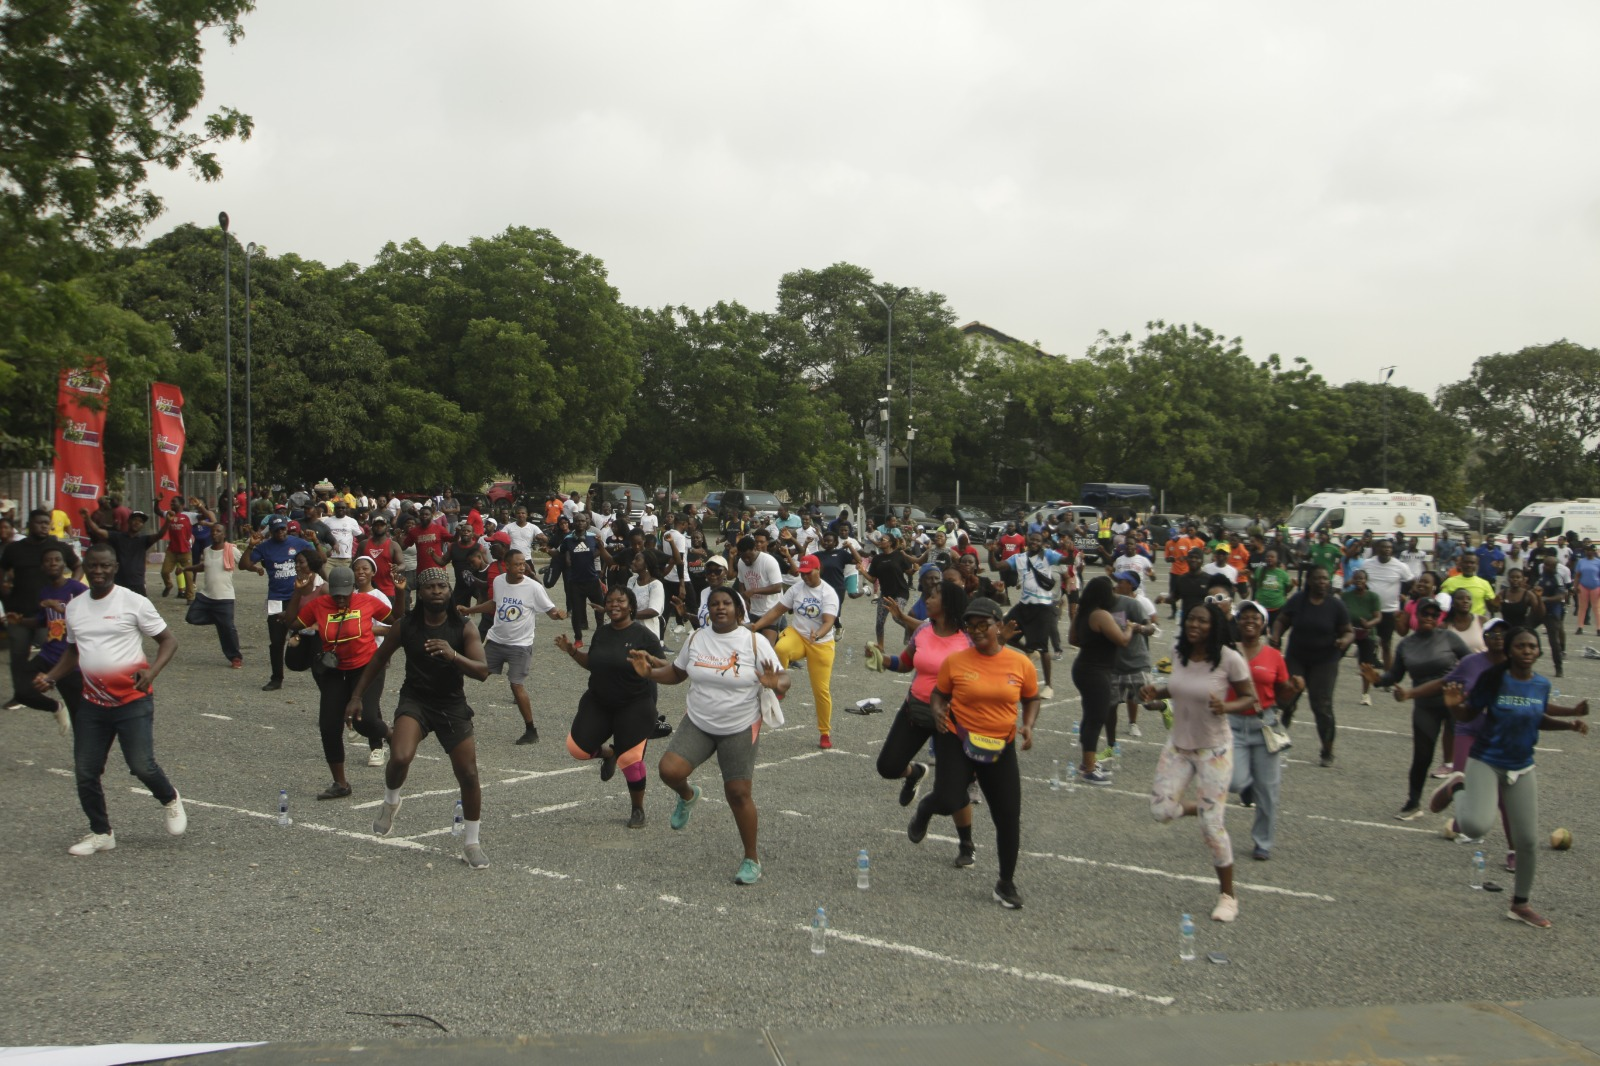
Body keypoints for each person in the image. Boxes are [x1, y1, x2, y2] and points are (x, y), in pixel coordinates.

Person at [628, 586, 788, 886]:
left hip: (739, 726)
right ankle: (688, 796)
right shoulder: (697, 638)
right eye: (714, 603)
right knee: (669, 770)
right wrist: (649, 673)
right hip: (699, 721)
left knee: (738, 794)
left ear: (738, 610)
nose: (720, 608)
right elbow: (677, 673)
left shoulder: (753, 641)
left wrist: (775, 682)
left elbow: (783, 679)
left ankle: (751, 858)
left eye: (727, 603)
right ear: (707, 609)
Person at [33, 543, 186, 855]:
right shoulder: (75, 607)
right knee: (86, 771)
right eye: (93, 566)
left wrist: (152, 672)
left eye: (105, 566)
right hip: (93, 704)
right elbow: (73, 651)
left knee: (141, 765)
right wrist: (51, 677)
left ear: (115, 567)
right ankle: (101, 833)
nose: (99, 572)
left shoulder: (134, 602)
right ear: (85, 568)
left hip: (133, 699)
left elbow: (168, 640)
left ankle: (169, 798)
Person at [1443, 628, 1590, 928]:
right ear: (1510, 651)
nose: (1527, 650)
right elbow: (1468, 716)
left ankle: (1520, 904)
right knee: (1474, 826)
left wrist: (1570, 724)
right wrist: (1454, 705)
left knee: (1527, 841)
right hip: (1486, 761)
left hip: (1522, 766)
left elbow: (1538, 717)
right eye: (1521, 646)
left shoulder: (1541, 684)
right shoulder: (1494, 680)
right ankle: (1458, 786)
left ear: (1538, 651)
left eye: (1532, 646)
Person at [356, 568, 493, 868]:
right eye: (430, 586)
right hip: (415, 700)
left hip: (451, 704)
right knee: (401, 756)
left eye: (442, 586)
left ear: (450, 590)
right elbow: (378, 659)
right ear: (421, 593)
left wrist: (453, 655)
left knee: (468, 773)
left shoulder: (464, 627)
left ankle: (471, 842)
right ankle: (391, 801)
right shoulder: (406, 626)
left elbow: (483, 671)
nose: (437, 591)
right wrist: (356, 697)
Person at [921, 597, 1041, 909]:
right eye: (970, 626)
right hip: (957, 737)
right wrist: (936, 712)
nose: (975, 631)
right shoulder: (957, 662)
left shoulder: (1020, 663)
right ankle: (925, 809)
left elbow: (1031, 698)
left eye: (982, 625)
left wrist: (1028, 725)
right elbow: (939, 695)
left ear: (998, 625)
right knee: (948, 799)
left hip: (1001, 744)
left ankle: (1005, 882)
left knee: (1008, 816)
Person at [1139, 601, 1255, 922]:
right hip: (1178, 746)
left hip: (1213, 750)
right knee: (1161, 811)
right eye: (1191, 618)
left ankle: (1228, 896)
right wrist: (1157, 692)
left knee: (1211, 826)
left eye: (1203, 621)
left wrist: (1227, 708)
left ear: (1214, 627)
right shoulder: (1179, 654)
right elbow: (1179, 688)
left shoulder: (1230, 660)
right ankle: (1197, 806)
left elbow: (1250, 698)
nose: (1195, 625)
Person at [871, 579, 978, 867]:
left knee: (952, 792)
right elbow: (906, 663)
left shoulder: (967, 640)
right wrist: (883, 659)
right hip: (915, 712)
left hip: (950, 721)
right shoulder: (923, 630)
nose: (926, 600)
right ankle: (914, 772)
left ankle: (965, 842)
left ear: (948, 605)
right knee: (887, 766)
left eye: (932, 597)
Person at [556, 585, 664, 829]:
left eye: (621, 601)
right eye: (610, 601)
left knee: (632, 761)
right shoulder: (602, 633)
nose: (614, 605)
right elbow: (593, 663)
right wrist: (572, 651)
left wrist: (651, 665)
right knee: (577, 749)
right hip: (600, 701)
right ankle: (609, 753)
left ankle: (638, 809)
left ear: (632, 606)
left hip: (634, 704)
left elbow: (667, 667)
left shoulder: (645, 637)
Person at [1362, 596, 1470, 820]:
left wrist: (1467, 690)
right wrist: (1378, 679)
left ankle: (1466, 811)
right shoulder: (1406, 645)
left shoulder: (1448, 638)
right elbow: (1396, 675)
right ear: (1416, 616)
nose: (1430, 617)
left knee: (1464, 759)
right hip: (1425, 706)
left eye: (1434, 614)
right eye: (1425, 613)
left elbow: (1471, 664)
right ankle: (1413, 803)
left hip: (1453, 704)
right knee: (1422, 757)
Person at [291, 565, 394, 799]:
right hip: (335, 669)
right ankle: (340, 783)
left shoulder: (367, 602)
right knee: (328, 725)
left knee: (364, 721)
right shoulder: (319, 605)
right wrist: (297, 594)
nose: (339, 598)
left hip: (367, 667)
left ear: (352, 590)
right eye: (335, 593)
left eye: (344, 594)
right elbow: (292, 622)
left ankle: (389, 734)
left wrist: (400, 592)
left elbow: (397, 621)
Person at [459, 548, 566, 745]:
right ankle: (460, 709)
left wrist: (559, 614)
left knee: (516, 685)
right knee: (477, 672)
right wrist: (470, 609)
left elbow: (550, 611)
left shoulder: (533, 587)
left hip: (520, 646)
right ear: (506, 565)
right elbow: (495, 604)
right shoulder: (499, 581)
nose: (522, 567)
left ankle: (531, 730)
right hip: (496, 640)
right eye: (517, 564)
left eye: (524, 563)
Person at [1230, 601, 1297, 860]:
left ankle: (1263, 842)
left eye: (1255, 618)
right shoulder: (1228, 652)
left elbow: (1282, 695)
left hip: (1264, 725)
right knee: (1235, 781)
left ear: (1263, 624)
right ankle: (1249, 784)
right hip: (1233, 723)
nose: (1249, 621)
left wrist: (1294, 688)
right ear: (1237, 623)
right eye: (1244, 617)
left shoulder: (1274, 656)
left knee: (1268, 790)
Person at [751, 554, 840, 749]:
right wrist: (756, 626)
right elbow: (776, 611)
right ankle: (779, 685)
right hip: (799, 635)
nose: (805, 577)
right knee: (781, 648)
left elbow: (828, 621)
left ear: (818, 570)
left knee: (821, 690)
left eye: (809, 573)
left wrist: (818, 634)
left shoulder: (828, 593)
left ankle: (824, 732)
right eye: (802, 574)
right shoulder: (796, 588)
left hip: (821, 642)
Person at [1271, 567, 1353, 767]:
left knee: (1322, 705)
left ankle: (1327, 750)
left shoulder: (1335, 605)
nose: (1322, 582)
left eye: (1325, 578)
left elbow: (1348, 631)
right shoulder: (1298, 601)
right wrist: (1275, 636)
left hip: (1325, 660)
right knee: (1284, 700)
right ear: (1309, 581)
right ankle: (1276, 743)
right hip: (1297, 656)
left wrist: (1344, 640)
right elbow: (1282, 620)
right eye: (1318, 578)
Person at [4, 509, 81, 711]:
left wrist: (68, 588)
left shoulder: (58, 547)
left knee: (55, 649)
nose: (45, 526)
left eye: (47, 523)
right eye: (40, 523)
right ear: (30, 524)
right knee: (19, 657)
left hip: (49, 616)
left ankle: (53, 685)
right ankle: (21, 694)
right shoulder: (14, 549)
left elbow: (78, 566)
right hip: (20, 611)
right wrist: (5, 590)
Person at [14, 545, 86, 735]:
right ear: (42, 567)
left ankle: (87, 763)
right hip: (47, 656)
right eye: (48, 561)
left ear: (64, 565)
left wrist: (64, 609)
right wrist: (21, 621)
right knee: (21, 691)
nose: (53, 563)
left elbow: (91, 617)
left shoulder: (77, 589)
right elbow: (42, 620)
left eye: (57, 559)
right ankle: (56, 707)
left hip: (71, 663)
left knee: (81, 720)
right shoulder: (45, 592)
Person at [1070, 575, 1134, 785]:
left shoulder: (1083, 613)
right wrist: (1131, 628)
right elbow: (1122, 640)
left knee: (1090, 715)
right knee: (1097, 717)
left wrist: (1094, 643)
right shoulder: (1101, 615)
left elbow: (1073, 639)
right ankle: (1089, 768)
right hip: (1096, 671)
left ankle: (1085, 762)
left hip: (1084, 667)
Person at [245, 516, 320, 692]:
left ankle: (315, 669)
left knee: (309, 633)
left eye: (283, 529)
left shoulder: (298, 543)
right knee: (276, 639)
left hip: (298, 596)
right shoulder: (264, 547)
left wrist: (315, 543)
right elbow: (244, 564)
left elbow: (317, 558)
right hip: (276, 599)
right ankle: (276, 677)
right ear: (270, 531)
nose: (281, 532)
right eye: (277, 530)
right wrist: (250, 546)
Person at [1004, 531, 1068, 698]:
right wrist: (990, 551)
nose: (1034, 542)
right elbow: (996, 566)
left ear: (1042, 542)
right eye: (1032, 539)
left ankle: (1048, 686)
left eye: (1038, 540)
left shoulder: (1048, 555)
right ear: (1027, 540)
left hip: (1043, 607)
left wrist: (1070, 552)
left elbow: (1066, 561)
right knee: (1003, 632)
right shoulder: (1018, 558)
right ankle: (1029, 651)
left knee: (1043, 647)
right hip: (1024, 605)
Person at [181, 518, 242, 669]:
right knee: (191, 617)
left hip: (225, 596)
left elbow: (245, 562)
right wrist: (187, 569)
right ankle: (217, 619)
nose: (215, 533)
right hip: (206, 595)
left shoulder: (231, 550)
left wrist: (256, 566)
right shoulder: (207, 550)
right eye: (213, 531)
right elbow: (205, 566)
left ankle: (235, 657)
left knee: (228, 629)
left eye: (218, 531)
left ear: (224, 535)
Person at [1356, 538, 1413, 671]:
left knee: (1386, 644)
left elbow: (1411, 581)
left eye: (1389, 547)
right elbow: (1359, 580)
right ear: (1376, 549)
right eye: (1383, 547)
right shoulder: (1367, 564)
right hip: (1370, 610)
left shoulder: (1400, 566)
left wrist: (1406, 595)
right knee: (1367, 643)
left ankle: (1388, 676)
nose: (1387, 550)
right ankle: (1366, 673)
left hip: (1389, 611)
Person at [83, 506, 157, 596]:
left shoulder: (144, 540)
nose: (137, 523)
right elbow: (97, 531)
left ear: (142, 525)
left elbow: (160, 535)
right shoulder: (117, 537)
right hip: (118, 582)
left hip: (137, 583)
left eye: (141, 521)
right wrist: (87, 517)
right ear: (129, 521)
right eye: (135, 520)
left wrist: (168, 522)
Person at [1341, 568, 1382, 705]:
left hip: (1366, 632)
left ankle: (1365, 695)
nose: (1359, 581)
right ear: (1353, 580)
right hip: (1350, 631)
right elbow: (1340, 613)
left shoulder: (1373, 597)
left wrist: (1369, 624)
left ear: (1366, 581)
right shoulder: (1346, 596)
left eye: (1362, 578)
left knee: (1366, 665)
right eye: (1356, 578)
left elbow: (1378, 617)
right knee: (1334, 655)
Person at [1572, 543, 1600, 634]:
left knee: (1596, 608)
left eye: (1590, 550)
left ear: (1594, 551)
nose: (1588, 552)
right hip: (1583, 586)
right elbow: (1577, 575)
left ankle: (1599, 628)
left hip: (1596, 586)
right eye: (1587, 550)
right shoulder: (1581, 562)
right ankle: (1580, 627)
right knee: (1582, 607)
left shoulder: (1598, 562)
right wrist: (1575, 587)